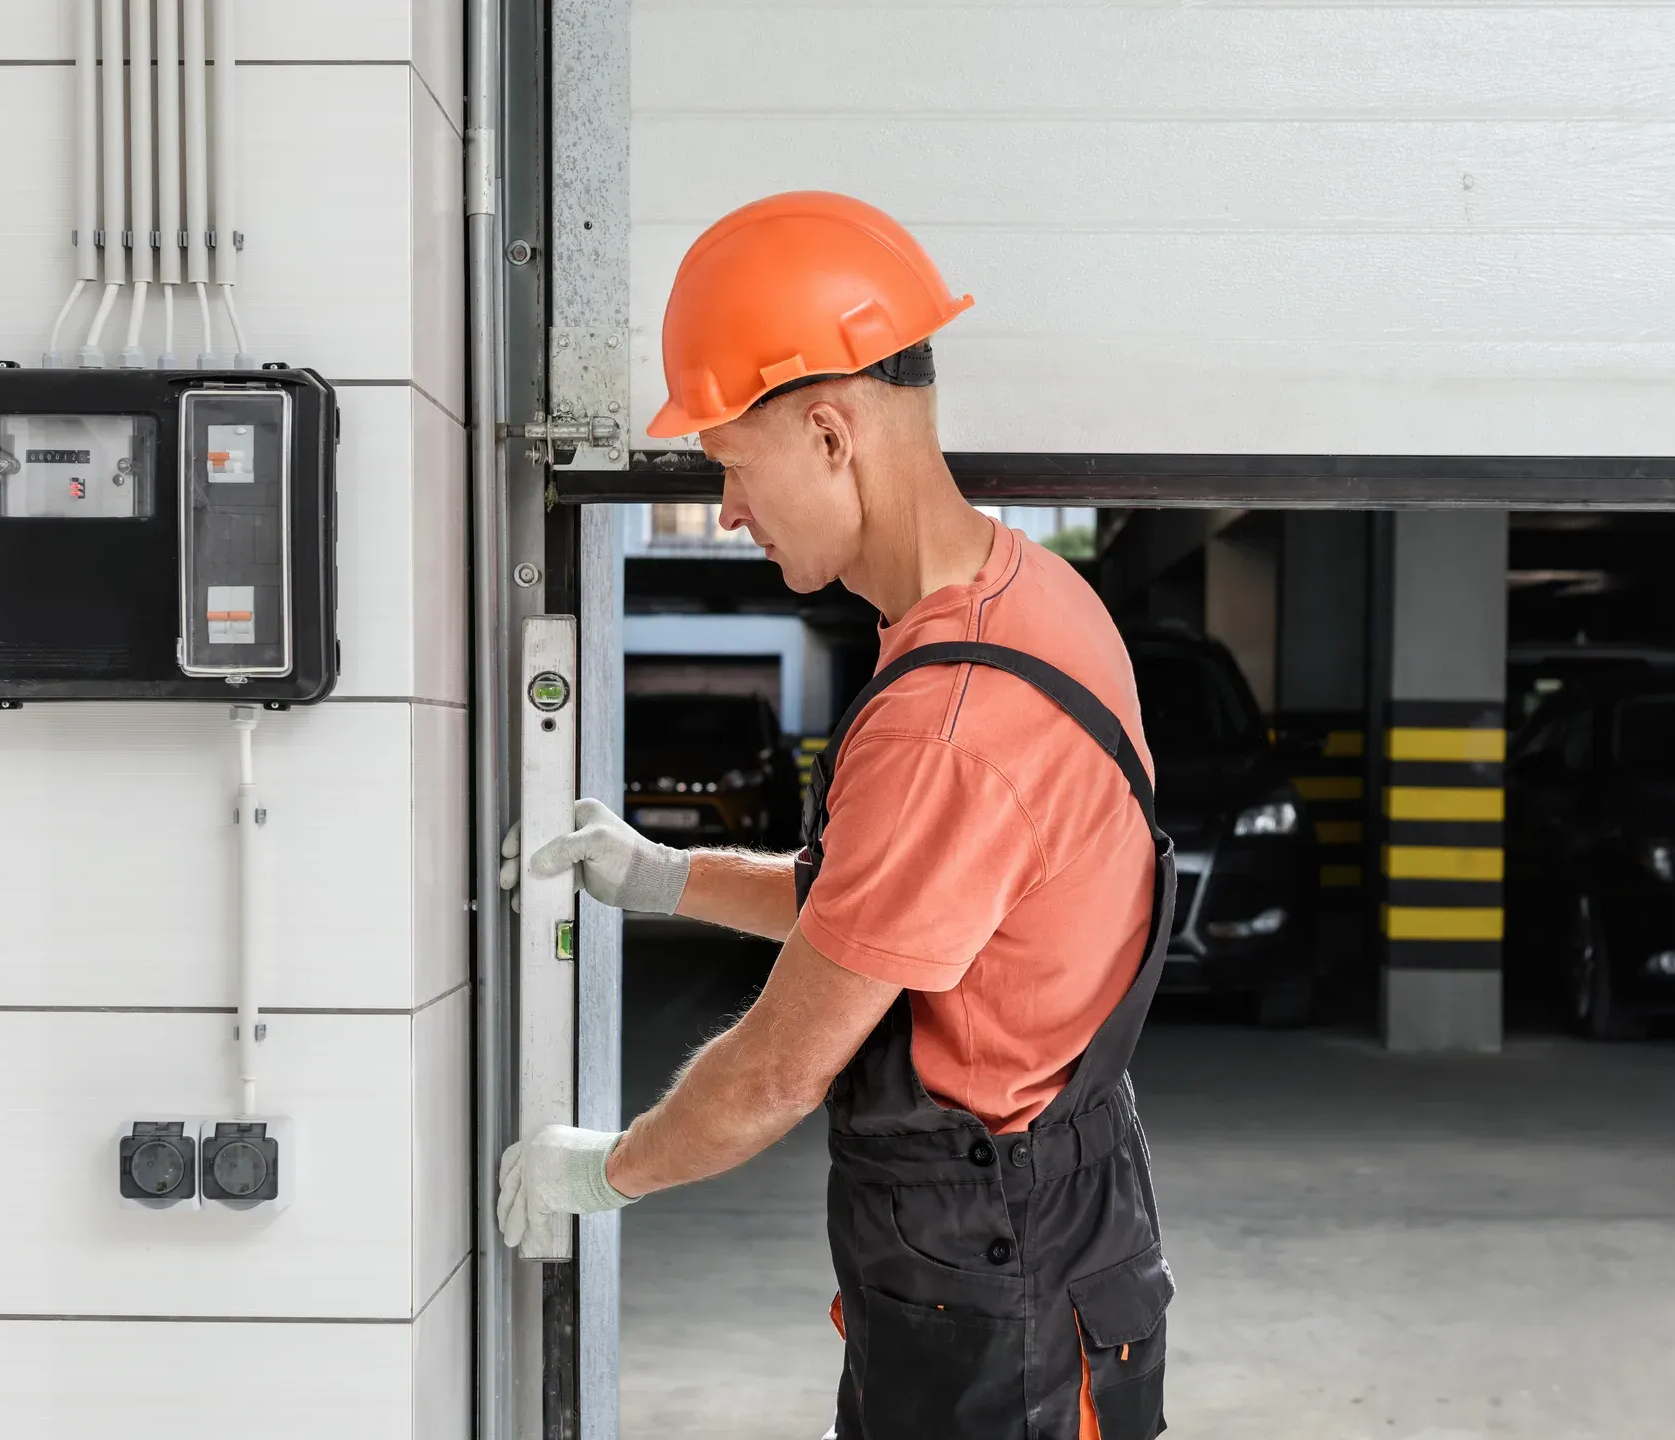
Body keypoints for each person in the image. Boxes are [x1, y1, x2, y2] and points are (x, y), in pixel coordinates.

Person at [497, 191, 1177, 1440]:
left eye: (733, 473)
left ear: (827, 432)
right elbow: (891, 907)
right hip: (1021, 1248)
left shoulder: (950, 724)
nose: (730, 514)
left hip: (1002, 1302)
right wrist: (663, 874)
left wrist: (603, 1171)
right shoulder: (1031, 600)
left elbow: (771, 1073)